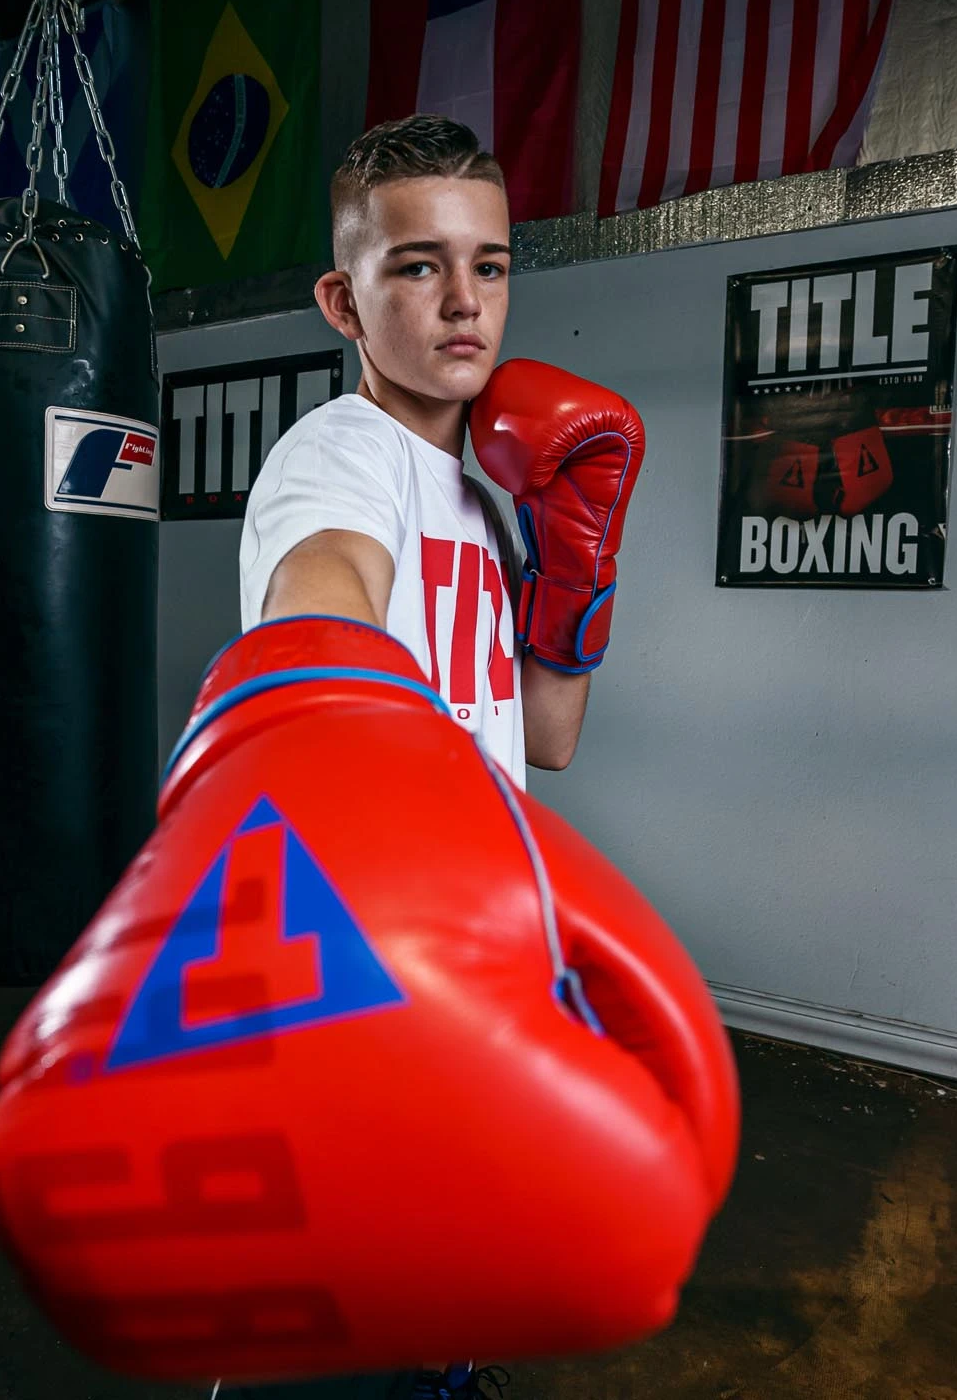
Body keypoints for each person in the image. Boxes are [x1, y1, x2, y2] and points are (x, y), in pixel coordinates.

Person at [223, 112, 640, 1400]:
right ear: (343, 300)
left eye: (492, 264)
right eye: (418, 267)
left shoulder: (496, 494)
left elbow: (549, 739)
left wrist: (575, 569)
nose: (465, 303)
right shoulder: (338, 458)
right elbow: (324, 594)